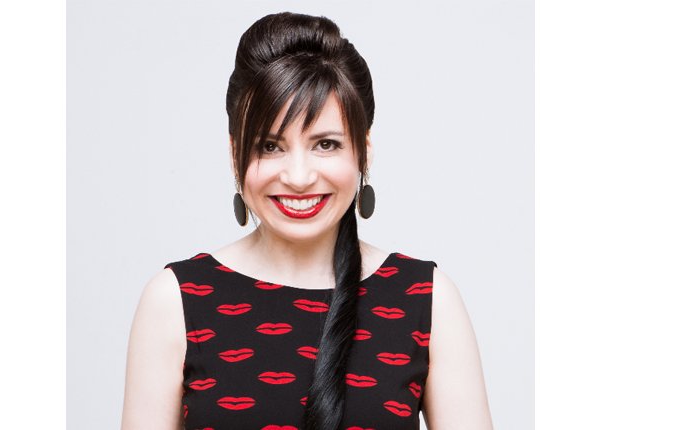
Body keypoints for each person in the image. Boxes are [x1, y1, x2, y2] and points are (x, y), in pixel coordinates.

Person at [121, 11, 493, 430]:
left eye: (326, 144)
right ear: (234, 154)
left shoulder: (426, 298)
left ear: (364, 152)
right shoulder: (175, 300)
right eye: (269, 146)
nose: (298, 178)